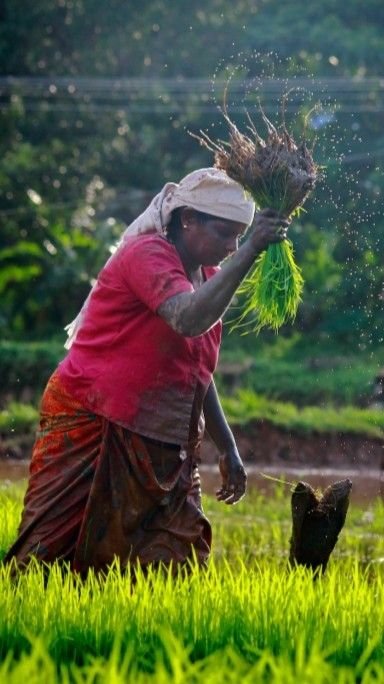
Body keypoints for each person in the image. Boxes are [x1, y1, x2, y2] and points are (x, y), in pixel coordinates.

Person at [4, 168, 289, 574]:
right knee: (51, 554)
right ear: (187, 220)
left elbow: (197, 371)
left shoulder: (206, 275)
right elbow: (188, 320)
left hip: (165, 439)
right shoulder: (147, 255)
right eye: (225, 233)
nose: (232, 246)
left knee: (178, 556)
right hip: (96, 417)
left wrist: (227, 446)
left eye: (240, 236)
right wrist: (252, 250)